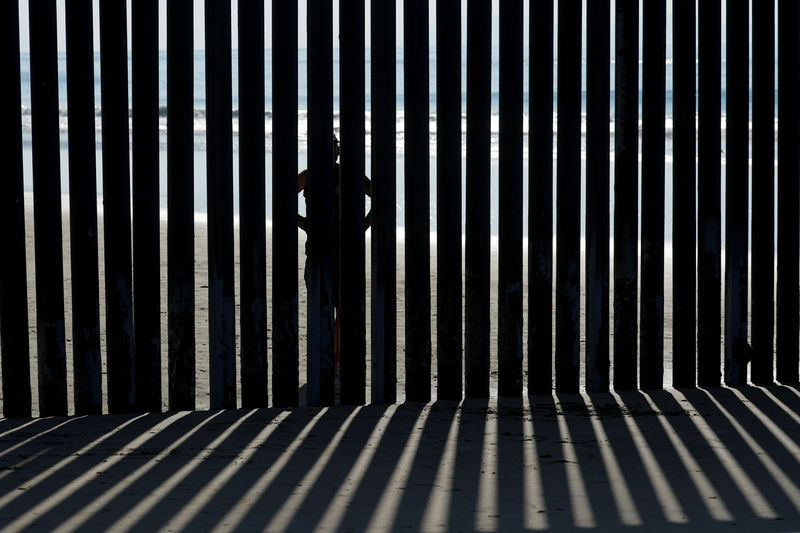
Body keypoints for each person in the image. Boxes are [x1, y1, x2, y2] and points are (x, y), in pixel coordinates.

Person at [298, 134, 371, 375]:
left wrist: (361, 226)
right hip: (318, 255)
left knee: (342, 308)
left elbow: (379, 196)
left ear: (338, 151)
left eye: (335, 147)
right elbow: (282, 200)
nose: (332, 152)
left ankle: (337, 361)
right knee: (320, 307)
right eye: (327, 148)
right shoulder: (308, 176)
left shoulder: (350, 173)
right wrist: (306, 224)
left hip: (346, 254)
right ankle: (323, 358)